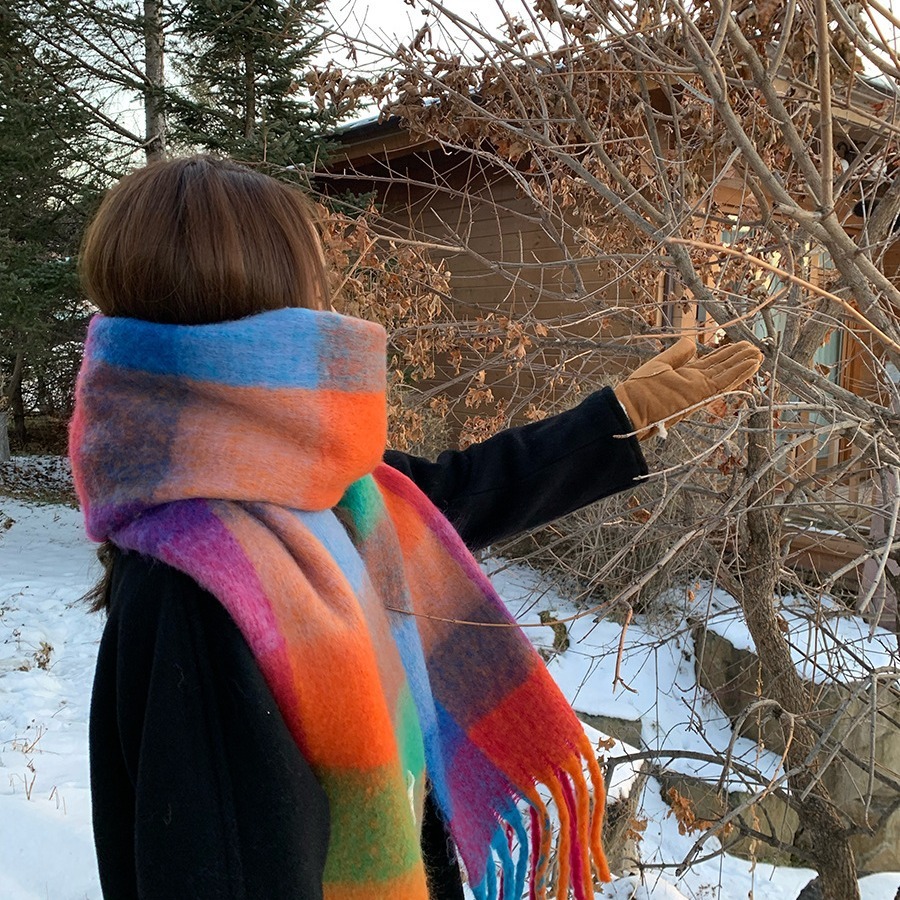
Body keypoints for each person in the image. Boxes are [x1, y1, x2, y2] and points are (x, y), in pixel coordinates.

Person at [69, 155, 762, 900]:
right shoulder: (192, 587)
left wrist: (621, 417)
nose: (333, 312)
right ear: (269, 306)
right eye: (315, 285)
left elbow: (456, 493)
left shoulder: (311, 486)